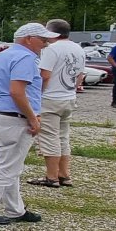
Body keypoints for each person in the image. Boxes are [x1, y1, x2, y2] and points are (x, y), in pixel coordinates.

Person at [0, 23, 53, 225]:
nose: (46, 44)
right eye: (43, 39)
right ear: (28, 39)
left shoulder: (0, 56)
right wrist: (33, 118)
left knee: (10, 167)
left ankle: (15, 209)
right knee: (7, 169)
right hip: (14, 118)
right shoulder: (25, 58)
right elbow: (17, 91)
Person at [31, 19, 85, 188]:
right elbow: (80, 75)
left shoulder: (51, 49)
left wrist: (38, 94)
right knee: (63, 136)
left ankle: (51, 176)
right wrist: (72, 90)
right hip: (68, 97)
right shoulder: (78, 48)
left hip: (50, 98)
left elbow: (45, 75)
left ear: (52, 33)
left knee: (49, 137)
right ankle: (64, 174)